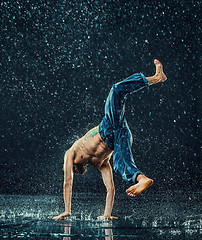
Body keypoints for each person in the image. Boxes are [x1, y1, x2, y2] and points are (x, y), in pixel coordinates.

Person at [53, 59, 167, 221]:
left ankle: (156, 78)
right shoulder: (102, 163)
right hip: (120, 135)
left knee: (116, 90)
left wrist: (67, 210)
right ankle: (143, 179)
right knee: (120, 164)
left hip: (107, 128)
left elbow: (68, 182)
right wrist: (106, 214)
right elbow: (110, 188)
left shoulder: (71, 152)